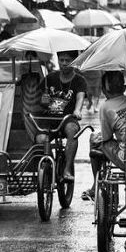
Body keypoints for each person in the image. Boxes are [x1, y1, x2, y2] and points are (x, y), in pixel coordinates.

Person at [81, 71, 126, 252]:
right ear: (123, 87)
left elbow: (106, 137)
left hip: (125, 158)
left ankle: (94, 184)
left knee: (96, 140)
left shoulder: (106, 107)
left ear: (104, 90)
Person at [38, 50, 86, 181]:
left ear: (74, 62)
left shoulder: (79, 80)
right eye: (61, 60)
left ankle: (67, 169)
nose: (64, 63)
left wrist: (77, 111)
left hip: (68, 119)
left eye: (68, 60)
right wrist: (44, 100)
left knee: (73, 131)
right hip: (49, 119)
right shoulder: (50, 78)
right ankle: (48, 166)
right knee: (40, 139)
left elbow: (80, 97)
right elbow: (40, 101)